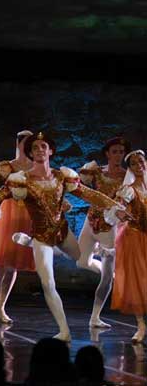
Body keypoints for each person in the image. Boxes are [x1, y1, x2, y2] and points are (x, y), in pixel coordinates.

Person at [0, 131, 123, 341]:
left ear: (51, 150)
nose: (39, 150)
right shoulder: (22, 180)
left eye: (43, 147)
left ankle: (34, 244)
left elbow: (89, 194)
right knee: (48, 283)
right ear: (30, 152)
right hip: (42, 238)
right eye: (35, 148)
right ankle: (64, 330)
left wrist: (115, 206)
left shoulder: (61, 176)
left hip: (63, 233)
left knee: (83, 261)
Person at [0, 130, 34, 324]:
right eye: (25, 143)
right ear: (19, 144)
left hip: (25, 214)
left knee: (13, 262)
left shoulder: (37, 166)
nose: (28, 148)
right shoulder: (7, 166)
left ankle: (0, 304)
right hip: (5, 212)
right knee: (1, 259)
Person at [77, 137, 129, 328]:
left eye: (121, 151)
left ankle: (95, 317)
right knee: (82, 262)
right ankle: (105, 269)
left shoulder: (126, 177)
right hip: (91, 222)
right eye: (114, 151)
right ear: (107, 154)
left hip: (111, 227)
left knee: (106, 277)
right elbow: (80, 185)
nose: (118, 155)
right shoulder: (96, 171)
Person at [105, 149, 147, 343]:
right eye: (134, 164)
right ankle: (140, 325)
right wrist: (119, 213)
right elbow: (116, 206)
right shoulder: (129, 189)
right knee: (138, 281)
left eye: (141, 162)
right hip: (135, 238)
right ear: (130, 168)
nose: (139, 166)